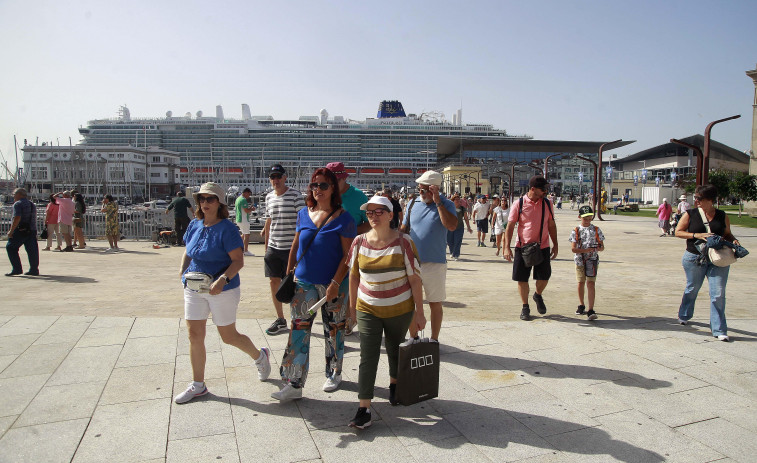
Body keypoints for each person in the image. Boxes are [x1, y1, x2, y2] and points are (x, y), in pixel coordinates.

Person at [175, 182, 271, 404]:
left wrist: (222, 280)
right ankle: (198, 385)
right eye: (202, 199)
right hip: (193, 287)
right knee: (194, 334)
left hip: (223, 289)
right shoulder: (194, 225)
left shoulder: (226, 229)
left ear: (220, 203)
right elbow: (188, 252)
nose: (205, 203)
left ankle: (259, 356)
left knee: (228, 336)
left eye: (210, 199)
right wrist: (182, 273)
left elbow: (238, 261)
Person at [272, 168, 356, 402]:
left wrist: (336, 283)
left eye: (323, 185)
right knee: (298, 330)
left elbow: (347, 256)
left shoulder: (343, 217)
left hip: (333, 286)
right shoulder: (303, 214)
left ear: (333, 189)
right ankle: (294, 382)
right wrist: (290, 274)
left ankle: (334, 372)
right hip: (304, 284)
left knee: (334, 330)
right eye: (314, 185)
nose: (317, 190)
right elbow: (295, 246)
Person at [346, 196, 424, 429]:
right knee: (367, 356)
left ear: (391, 215)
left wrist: (419, 312)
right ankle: (364, 408)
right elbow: (353, 276)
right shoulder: (359, 242)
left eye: (379, 212)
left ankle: (394, 385)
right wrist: (352, 309)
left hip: (400, 308)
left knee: (394, 348)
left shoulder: (404, 242)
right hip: (368, 308)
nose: (373, 216)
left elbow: (415, 279)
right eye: (369, 213)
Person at [674, 184, 741, 342]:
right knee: (692, 288)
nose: (696, 201)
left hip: (718, 258)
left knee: (717, 293)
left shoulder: (722, 215)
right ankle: (684, 314)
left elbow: (727, 233)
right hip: (694, 257)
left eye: (699, 198)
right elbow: (678, 232)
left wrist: (734, 240)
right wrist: (697, 234)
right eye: (695, 198)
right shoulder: (690, 214)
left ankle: (718, 329)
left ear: (710, 200)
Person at [402, 170, 457, 340]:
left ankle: (434, 339)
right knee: (410, 303)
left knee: (435, 303)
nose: (422, 193)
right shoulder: (412, 204)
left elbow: (451, 226)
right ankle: (414, 337)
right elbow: (403, 229)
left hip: (435, 262)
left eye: (426, 190)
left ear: (435, 189)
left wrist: (438, 202)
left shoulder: (447, 204)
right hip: (412, 263)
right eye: (420, 189)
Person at [504, 176, 558, 321]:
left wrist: (556, 244)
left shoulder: (547, 203)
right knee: (521, 278)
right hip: (523, 247)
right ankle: (525, 306)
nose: (545, 192)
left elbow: (551, 224)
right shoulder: (519, 203)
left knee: (544, 276)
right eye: (543, 189)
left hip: (543, 245)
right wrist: (506, 247)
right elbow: (510, 226)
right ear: (533, 189)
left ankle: (537, 295)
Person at [263, 164, 306, 336]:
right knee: (273, 281)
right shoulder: (268, 197)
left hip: (291, 248)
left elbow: (303, 223)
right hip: (274, 247)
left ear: (285, 177)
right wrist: (267, 247)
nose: (276, 180)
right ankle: (280, 319)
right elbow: (269, 221)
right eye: (273, 177)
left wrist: (300, 248)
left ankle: (297, 318)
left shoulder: (295, 195)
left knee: (294, 284)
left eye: (278, 176)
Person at [569, 206, 605, 320]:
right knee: (580, 282)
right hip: (580, 261)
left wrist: (598, 248)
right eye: (585, 218)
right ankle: (581, 304)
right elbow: (573, 249)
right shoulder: (576, 230)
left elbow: (602, 247)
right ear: (580, 217)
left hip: (592, 260)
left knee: (591, 283)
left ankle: (591, 309)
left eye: (590, 218)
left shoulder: (596, 230)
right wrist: (585, 250)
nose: (588, 220)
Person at [326, 162, 370, 234]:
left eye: (336, 180)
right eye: (328, 182)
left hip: (350, 243)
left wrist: (349, 232)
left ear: (344, 177)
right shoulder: (324, 194)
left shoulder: (359, 196)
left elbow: (369, 223)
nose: (333, 185)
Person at [5, 188, 39, 276]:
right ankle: (34, 269)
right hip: (31, 229)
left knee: (11, 247)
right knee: (32, 250)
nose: (13, 196)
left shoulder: (18, 204)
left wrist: (11, 231)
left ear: (19, 194)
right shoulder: (32, 204)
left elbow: (17, 217)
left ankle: (17, 269)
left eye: (14, 194)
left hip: (20, 230)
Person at [447, 194, 472, 261]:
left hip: (459, 227)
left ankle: (456, 254)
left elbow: (466, 218)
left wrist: (468, 227)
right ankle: (452, 251)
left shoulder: (462, 208)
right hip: (450, 227)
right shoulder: (449, 208)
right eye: (456, 199)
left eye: (459, 199)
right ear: (453, 200)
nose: (458, 201)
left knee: (457, 241)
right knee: (449, 241)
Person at [234, 187, 256, 256]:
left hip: (238, 219)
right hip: (243, 219)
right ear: (246, 192)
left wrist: (249, 208)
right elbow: (246, 211)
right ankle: (245, 250)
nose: (248, 196)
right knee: (247, 234)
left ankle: (235, 246)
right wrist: (251, 209)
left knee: (243, 234)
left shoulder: (238, 199)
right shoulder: (243, 200)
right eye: (249, 194)